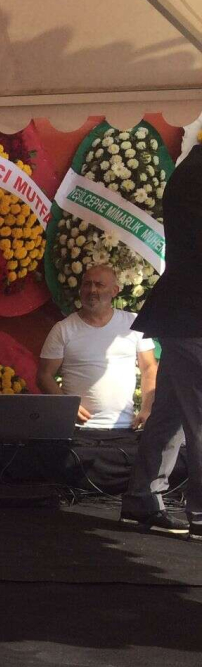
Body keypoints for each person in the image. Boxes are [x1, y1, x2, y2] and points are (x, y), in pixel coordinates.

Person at [122, 141, 202, 539]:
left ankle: (142, 498)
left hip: (185, 314)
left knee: (171, 413)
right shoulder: (196, 175)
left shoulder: (190, 171)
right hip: (192, 315)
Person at [38, 263, 156, 430]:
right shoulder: (63, 329)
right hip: (77, 430)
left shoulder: (133, 323)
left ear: (114, 291)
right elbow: (44, 376)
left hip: (124, 428)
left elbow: (149, 368)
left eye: (99, 285)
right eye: (87, 284)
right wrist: (67, 406)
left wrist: (147, 408)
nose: (92, 290)